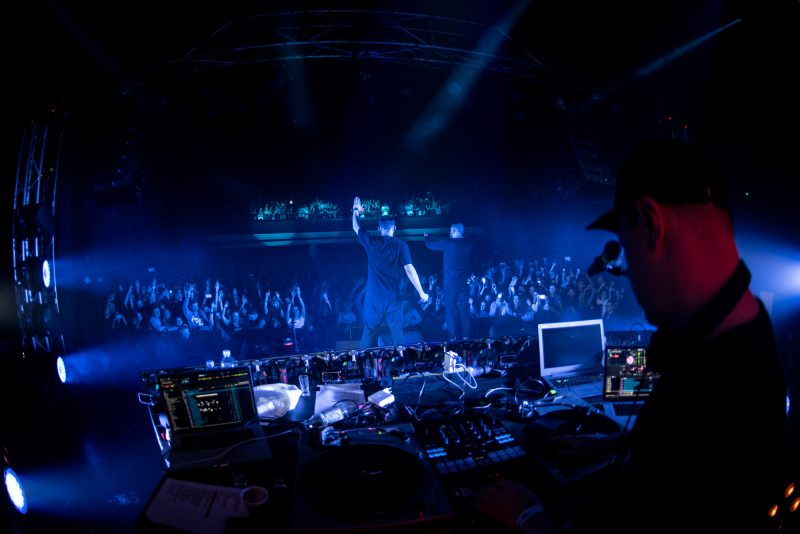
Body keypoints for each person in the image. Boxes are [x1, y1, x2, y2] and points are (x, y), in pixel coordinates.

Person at [475, 139, 788, 532]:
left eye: (625, 249)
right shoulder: (732, 336)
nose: (626, 273)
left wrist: (530, 518)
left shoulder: (722, 386)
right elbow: (676, 450)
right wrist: (613, 444)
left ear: (651, 222)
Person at [352, 196, 429, 348]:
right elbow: (409, 269)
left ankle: (364, 361)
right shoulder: (401, 245)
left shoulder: (372, 242)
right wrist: (422, 293)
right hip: (393, 297)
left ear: (379, 228)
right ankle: (400, 361)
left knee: (369, 333)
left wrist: (356, 210)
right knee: (397, 335)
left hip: (373, 298)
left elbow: (356, 227)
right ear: (394, 228)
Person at [424, 223, 475, 340]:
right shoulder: (469, 243)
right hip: (463, 283)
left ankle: (452, 338)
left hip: (451, 284)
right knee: (464, 310)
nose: (450, 232)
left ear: (455, 231)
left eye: (452, 230)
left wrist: (426, 237)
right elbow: (473, 238)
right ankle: (466, 338)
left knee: (450, 310)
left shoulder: (447, 243)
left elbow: (430, 245)